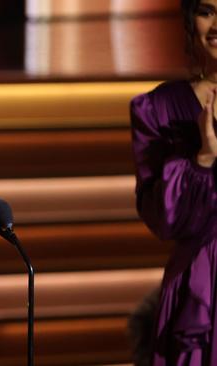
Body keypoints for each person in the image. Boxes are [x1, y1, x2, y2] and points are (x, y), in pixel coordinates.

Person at [130, 0, 217, 364]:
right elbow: (161, 219)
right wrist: (203, 159)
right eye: (206, 11)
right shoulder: (159, 108)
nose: (216, 24)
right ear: (188, 21)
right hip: (201, 292)